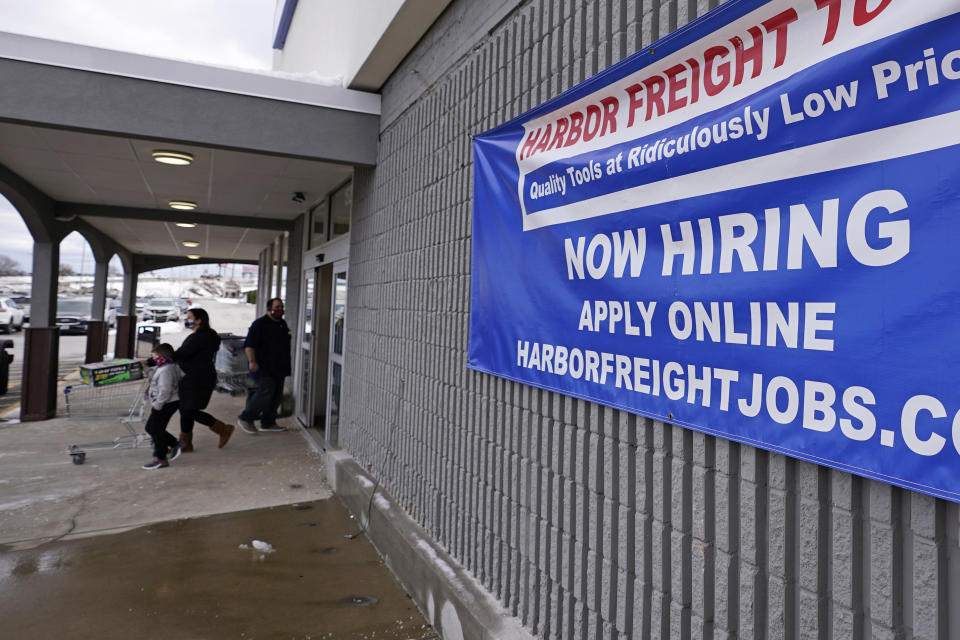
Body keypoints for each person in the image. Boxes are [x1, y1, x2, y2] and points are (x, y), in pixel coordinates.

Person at [173, 307, 235, 450]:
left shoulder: (199, 337)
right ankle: (186, 443)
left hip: (197, 378)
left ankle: (223, 429)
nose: (186, 320)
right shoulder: (208, 334)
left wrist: (156, 359)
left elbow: (181, 354)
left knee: (188, 410)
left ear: (199, 320)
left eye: (189, 317)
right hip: (196, 377)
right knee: (186, 409)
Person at [237, 297, 291, 434]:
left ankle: (268, 422)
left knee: (276, 396)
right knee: (266, 391)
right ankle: (246, 417)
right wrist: (252, 361)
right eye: (277, 307)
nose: (280, 310)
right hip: (262, 367)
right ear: (269, 308)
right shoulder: (259, 324)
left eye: (281, 307)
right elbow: (249, 345)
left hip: (279, 367)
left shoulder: (281, 324)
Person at [141, 343, 184, 470]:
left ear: (162, 356)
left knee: (155, 429)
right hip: (166, 402)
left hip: (166, 403)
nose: (153, 359)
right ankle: (174, 444)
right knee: (153, 428)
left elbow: (165, 390)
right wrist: (145, 368)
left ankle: (160, 458)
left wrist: (158, 405)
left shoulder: (167, 370)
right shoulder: (164, 366)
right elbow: (155, 378)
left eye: (154, 356)